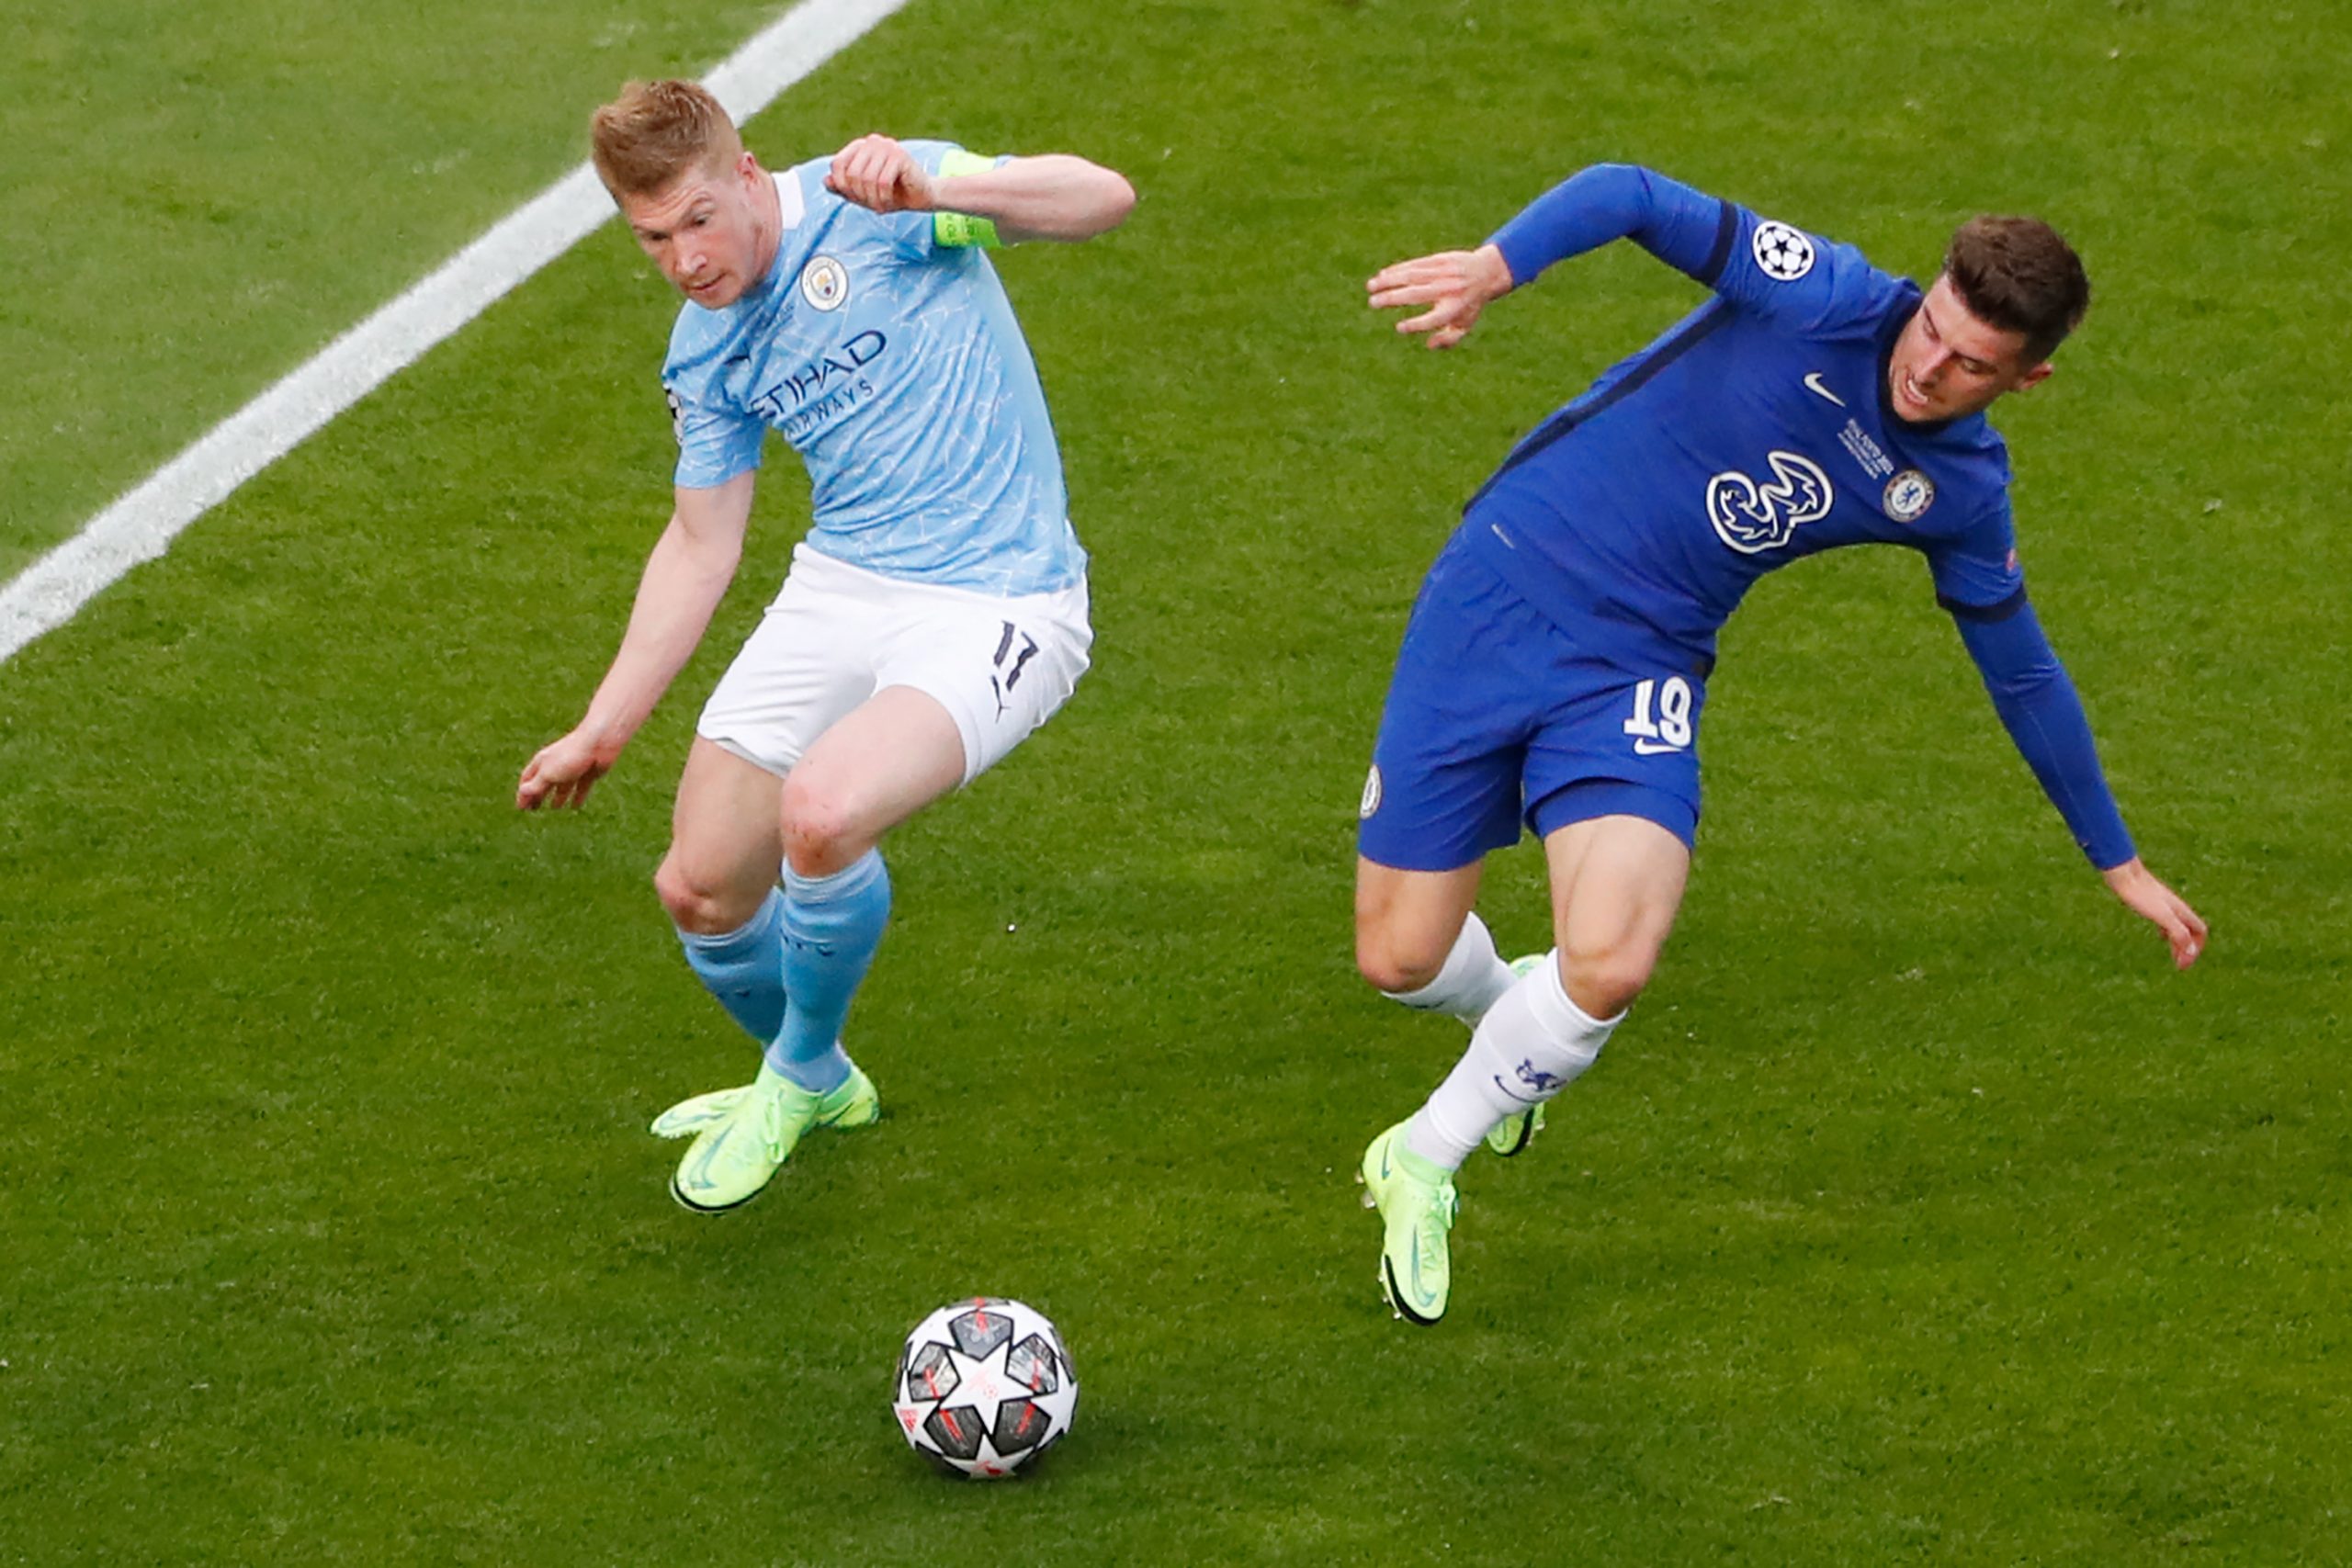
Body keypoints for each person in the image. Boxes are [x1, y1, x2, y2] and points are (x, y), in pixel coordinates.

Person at [1352, 164, 2207, 1324]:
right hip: (1500, 588)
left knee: (1608, 960)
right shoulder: (1828, 295)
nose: (1927, 366)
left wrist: (2116, 859)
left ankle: (1425, 1154)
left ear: (2028, 377)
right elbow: (1631, 194)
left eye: (1970, 365)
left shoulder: (1957, 489)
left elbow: (2021, 668)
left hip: (1641, 666)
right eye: (1934, 332)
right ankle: (1510, 1022)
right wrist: (1495, 269)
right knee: (1401, 958)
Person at [516, 80, 1134, 1213]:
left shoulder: (884, 205)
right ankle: (823, 1077)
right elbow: (701, 547)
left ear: (749, 174)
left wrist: (940, 185)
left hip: (1001, 601)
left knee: (822, 813)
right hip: (845, 581)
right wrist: (603, 727)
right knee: (699, 889)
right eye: (652, 238)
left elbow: (1104, 199)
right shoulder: (703, 349)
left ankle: (791, 1075)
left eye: (700, 218)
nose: (685, 259)